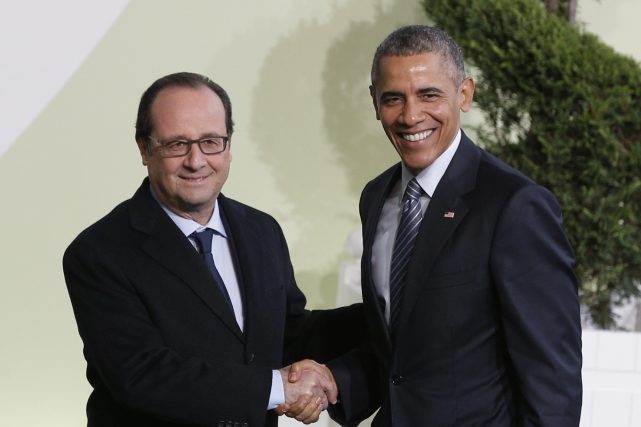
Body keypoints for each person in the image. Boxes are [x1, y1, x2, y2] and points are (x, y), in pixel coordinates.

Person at [286, 24, 583, 426]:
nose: (411, 116)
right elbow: (401, 347)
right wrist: (334, 380)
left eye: (429, 95)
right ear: (374, 102)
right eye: (393, 98)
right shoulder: (376, 196)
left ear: (464, 94)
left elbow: (552, 380)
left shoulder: (514, 205)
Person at [63, 72, 363, 427]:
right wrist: (279, 388)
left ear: (229, 145)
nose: (196, 160)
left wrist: (387, 315)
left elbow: (287, 335)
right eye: (176, 144)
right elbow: (143, 376)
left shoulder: (261, 231)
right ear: (144, 149)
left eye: (211, 142)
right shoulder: (99, 253)